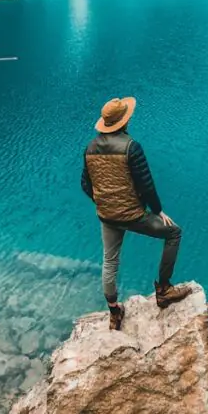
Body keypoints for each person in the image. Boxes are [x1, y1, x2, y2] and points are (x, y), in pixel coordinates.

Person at [82, 95, 192, 330]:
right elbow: (146, 185)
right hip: (133, 216)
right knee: (174, 233)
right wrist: (158, 210)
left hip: (107, 216)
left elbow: (85, 185)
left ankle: (114, 313)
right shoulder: (131, 147)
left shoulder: (90, 148)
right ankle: (163, 290)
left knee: (109, 262)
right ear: (124, 122)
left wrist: (104, 201)